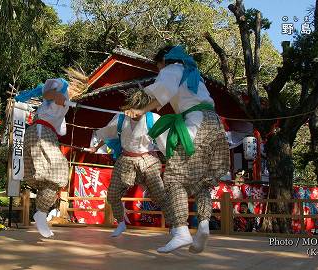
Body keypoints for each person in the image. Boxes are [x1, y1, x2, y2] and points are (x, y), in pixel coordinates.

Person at [125, 45, 230, 253]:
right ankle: (203, 225)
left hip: (195, 123)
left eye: (158, 67)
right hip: (214, 124)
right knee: (201, 181)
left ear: (164, 61)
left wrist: (140, 110)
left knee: (173, 179)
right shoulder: (194, 75)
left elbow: (163, 92)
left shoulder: (171, 69)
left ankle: (181, 230)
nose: (158, 71)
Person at [88, 90, 170, 237]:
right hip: (125, 160)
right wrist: (96, 147)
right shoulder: (121, 118)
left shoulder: (154, 119)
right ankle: (120, 223)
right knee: (112, 195)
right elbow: (108, 133)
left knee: (160, 195)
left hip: (148, 160)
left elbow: (165, 142)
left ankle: (176, 225)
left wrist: (171, 158)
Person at [17, 78, 69, 238]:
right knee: (59, 172)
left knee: (52, 182)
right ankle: (40, 213)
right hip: (41, 132)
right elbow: (46, 91)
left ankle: (41, 213)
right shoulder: (63, 85)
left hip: (48, 134)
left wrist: (62, 103)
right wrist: (55, 95)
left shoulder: (66, 103)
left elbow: (62, 131)